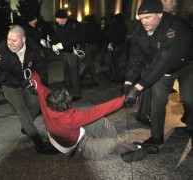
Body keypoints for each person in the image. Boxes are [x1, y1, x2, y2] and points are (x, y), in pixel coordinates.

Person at [30, 72, 158, 162]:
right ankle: (137, 148)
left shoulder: (46, 101)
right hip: (79, 148)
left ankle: (120, 145)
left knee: (100, 121)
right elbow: (100, 109)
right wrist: (123, 100)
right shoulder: (71, 118)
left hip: (66, 136)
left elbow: (38, 84)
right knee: (111, 144)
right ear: (67, 104)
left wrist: (29, 73)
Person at [124, 0, 193, 145]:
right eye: (141, 18)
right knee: (157, 100)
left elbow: (166, 57)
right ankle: (156, 137)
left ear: (160, 14)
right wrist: (128, 82)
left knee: (189, 99)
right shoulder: (140, 30)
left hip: (186, 65)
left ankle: (191, 127)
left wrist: (138, 87)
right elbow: (135, 56)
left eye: (147, 17)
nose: (143, 22)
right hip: (161, 69)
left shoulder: (174, 26)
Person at [0, 25, 52, 154]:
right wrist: (20, 83)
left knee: (36, 103)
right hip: (10, 84)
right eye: (8, 39)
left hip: (27, 80)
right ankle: (38, 142)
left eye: (14, 40)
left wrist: (41, 85)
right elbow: (1, 75)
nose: (10, 43)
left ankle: (26, 126)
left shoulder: (33, 47)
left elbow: (41, 67)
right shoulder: (1, 51)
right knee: (21, 107)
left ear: (23, 39)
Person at [51, 9, 82, 101]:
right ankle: (66, 92)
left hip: (73, 53)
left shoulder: (72, 25)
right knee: (67, 74)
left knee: (73, 74)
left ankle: (77, 94)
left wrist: (62, 45)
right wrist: (52, 42)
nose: (56, 20)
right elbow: (58, 36)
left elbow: (75, 39)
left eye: (57, 18)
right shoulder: (62, 26)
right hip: (67, 53)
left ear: (62, 18)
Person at [79, 14, 102, 87]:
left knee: (90, 64)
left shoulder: (85, 26)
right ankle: (82, 76)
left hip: (88, 46)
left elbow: (82, 36)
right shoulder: (97, 26)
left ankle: (95, 80)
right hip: (96, 46)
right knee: (89, 63)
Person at [105, 13, 128, 83]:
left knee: (114, 61)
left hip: (115, 44)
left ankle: (117, 77)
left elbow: (109, 33)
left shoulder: (115, 25)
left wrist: (110, 39)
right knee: (114, 60)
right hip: (121, 44)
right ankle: (111, 74)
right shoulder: (124, 25)